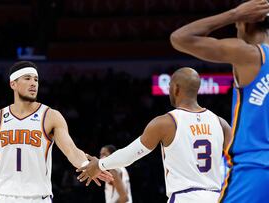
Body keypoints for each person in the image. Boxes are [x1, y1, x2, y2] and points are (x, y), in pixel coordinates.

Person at [0, 61, 112, 203]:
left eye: (36, 79)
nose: (33, 83)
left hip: (38, 198)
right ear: (13, 83)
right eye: (27, 78)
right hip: (5, 197)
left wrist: (88, 165)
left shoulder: (50, 116)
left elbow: (71, 151)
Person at [77, 68, 232, 203]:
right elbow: (238, 164)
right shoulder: (221, 123)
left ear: (176, 88)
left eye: (170, 85)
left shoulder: (166, 122)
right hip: (217, 197)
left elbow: (129, 155)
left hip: (184, 198)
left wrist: (99, 165)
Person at [170, 0, 269, 202]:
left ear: (246, 23)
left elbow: (179, 38)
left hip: (255, 168)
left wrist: (234, 14)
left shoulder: (250, 55)